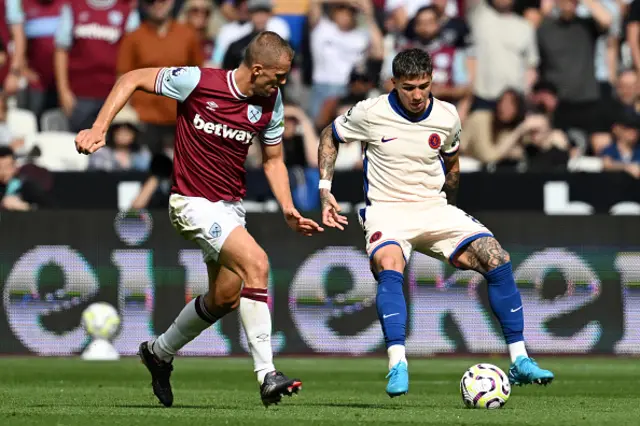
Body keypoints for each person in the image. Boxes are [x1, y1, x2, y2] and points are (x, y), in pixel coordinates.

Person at [75, 31, 324, 407]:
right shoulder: (197, 81)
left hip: (229, 207)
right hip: (190, 202)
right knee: (257, 263)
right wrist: (100, 127)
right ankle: (266, 374)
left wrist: (288, 207)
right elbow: (131, 78)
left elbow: (273, 160)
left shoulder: (270, 101)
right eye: (279, 75)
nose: (283, 82)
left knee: (224, 298)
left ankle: (158, 352)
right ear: (257, 69)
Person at [316, 48, 554, 397]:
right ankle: (398, 362)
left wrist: (452, 218)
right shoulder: (371, 112)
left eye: (424, 86)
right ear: (393, 83)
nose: (417, 95)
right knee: (389, 264)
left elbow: (452, 166)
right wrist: (325, 190)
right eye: (409, 87)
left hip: (434, 208)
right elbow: (329, 136)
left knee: (496, 258)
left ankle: (519, 360)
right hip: (387, 210)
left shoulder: (446, 115)